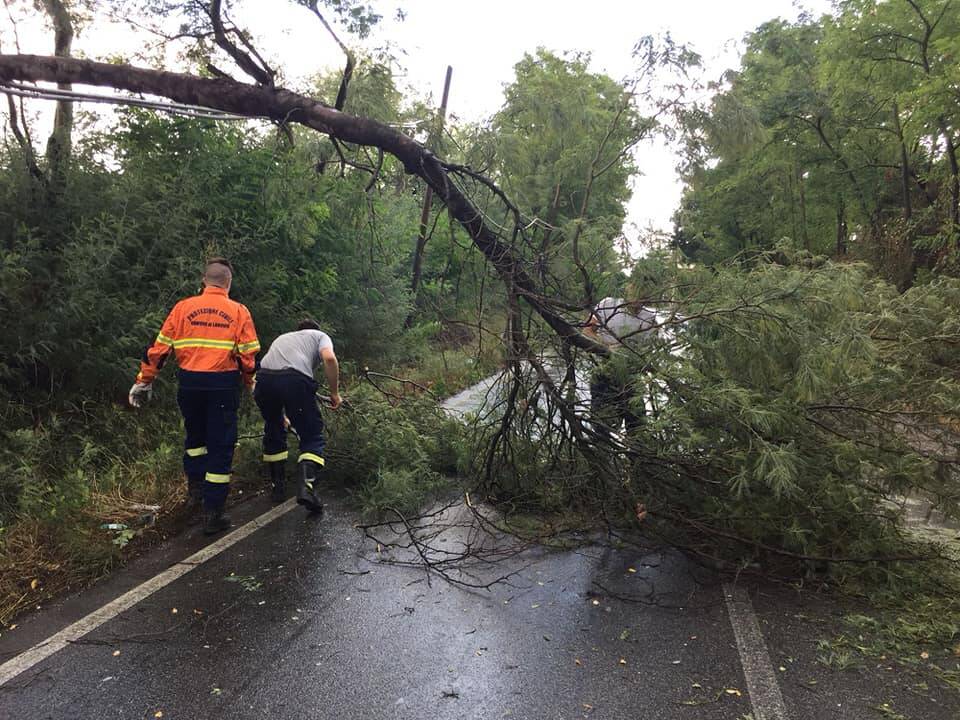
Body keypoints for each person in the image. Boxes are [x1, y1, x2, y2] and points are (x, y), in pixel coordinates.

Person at [128, 258, 260, 535]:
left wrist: (144, 381)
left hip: (190, 384)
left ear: (204, 280)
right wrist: (250, 383)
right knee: (221, 444)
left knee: (195, 440)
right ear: (228, 282)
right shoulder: (238, 311)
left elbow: (158, 349)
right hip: (222, 384)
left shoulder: (182, 308)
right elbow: (248, 357)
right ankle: (213, 512)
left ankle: (195, 492)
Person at [253, 318, 342, 515]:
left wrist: (277, 415)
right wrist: (335, 393)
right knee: (312, 435)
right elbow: (329, 359)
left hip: (264, 380)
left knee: (274, 426)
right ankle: (306, 489)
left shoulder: (284, 338)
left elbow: (268, 375)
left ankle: (278, 488)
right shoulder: (320, 336)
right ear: (315, 330)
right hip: (294, 380)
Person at [586, 295, 657, 436]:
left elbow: (650, 349)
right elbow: (587, 331)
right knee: (601, 427)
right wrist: (608, 347)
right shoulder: (608, 304)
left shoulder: (649, 318)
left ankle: (637, 454)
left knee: (638, 428)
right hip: (604, 374)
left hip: (632, 379)